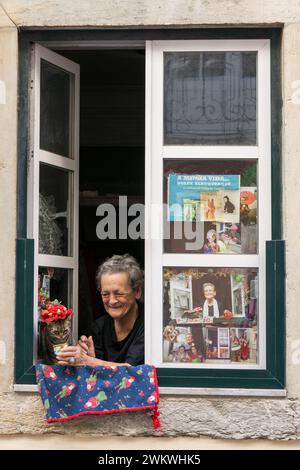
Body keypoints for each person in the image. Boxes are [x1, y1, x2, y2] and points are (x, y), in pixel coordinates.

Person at [57, 254, 144, 367]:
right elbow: (100, 371)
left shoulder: (149, 326)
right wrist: (91, 357)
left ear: (137, 292)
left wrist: (87, 361)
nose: (112, 301)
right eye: (105, 294)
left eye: (119, 294)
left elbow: (131, 371)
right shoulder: (99, 327)